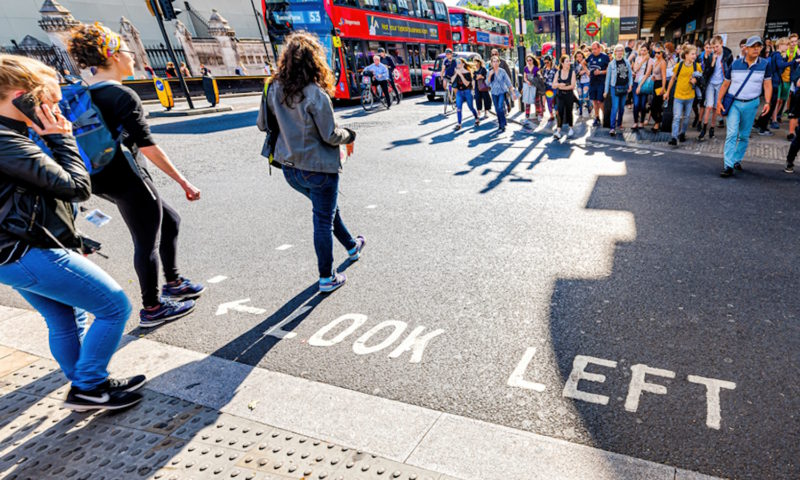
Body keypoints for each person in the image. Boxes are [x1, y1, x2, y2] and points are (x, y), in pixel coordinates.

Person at [0, 54, 145, 411]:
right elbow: (76, 186)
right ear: (21, 96)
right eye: (46, 100)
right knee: (114, 306)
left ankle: (86, 383)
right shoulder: (7, 141)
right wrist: (62, 138)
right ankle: (87, 386)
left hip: (16, 251)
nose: (52, 108)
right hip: (24, 251)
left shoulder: (11, 134)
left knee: (66, 316)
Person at [68, 23, 203, 327]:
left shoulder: (82, 94)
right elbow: (149, 147)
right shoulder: (122, 95)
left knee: (170, 221)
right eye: (128, 51)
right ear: (113, 54)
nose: (133, 57)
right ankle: (153, 308)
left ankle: (174, 282)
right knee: (146, 242)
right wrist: (183, 181)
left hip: (99, 178)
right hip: (129, 179)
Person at [266, 32, 364, 293]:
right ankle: (326, 277)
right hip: (318, 168)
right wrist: (350, 135)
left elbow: (263, 125)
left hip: (289, 168)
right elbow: (330, 135)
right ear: (314, 61)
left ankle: (352, 246)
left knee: (328, 211)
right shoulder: (315, 94)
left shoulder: (273, 87)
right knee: (323, 218)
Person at [716, 36, 773, 177]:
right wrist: (718, 101)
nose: (756, 49)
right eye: (753, 46)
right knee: (731, 134)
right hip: (734, 103)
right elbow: (725, 84)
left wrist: (767, 102)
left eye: (759, 46)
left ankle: (736, 159)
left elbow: (767, 84)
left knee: (744, 136)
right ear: (745, 48)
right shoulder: (735, 64)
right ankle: (728, 165)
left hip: (752, 103)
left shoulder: (765, 64)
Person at [756, 38, 794, 135]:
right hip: (774, 83)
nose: (787, 47)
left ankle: (759, 124)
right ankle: (762, 128)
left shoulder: (775, 55)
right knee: (771, 107)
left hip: (774, 82)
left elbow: (779, 67)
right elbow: (780, 66)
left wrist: (786, 58)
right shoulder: (777, 55)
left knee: (770, 106)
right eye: (786, 45)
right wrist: (793, 62)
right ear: (780, 45)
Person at [664, 44, 699, 146]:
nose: (694, 56)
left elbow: (700, 80)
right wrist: (667, 92)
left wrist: (695, 81)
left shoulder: (697, 66)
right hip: (678, 96)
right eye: (692, 54)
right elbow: (672, 79)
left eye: (695, 54)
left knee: (687, 117)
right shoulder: (679, 66)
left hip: (690, 96)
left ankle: (682, 133)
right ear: (686, 55)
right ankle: (674, 137)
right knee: (677, 117)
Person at [699, 36, 733, 140]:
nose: (715, 49)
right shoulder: (710, 56)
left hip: (721, 84)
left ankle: (712, 128)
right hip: (711, 83)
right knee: (708, 106)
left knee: (715, 108)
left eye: (716, 46)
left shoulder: (728, 55)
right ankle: (704, 128)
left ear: (721, 44)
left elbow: (730, 71)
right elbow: (706, 73)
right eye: (713, 47)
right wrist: (713, 62)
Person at [604, 45, 632, 137]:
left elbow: (630, 75)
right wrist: (605, 91)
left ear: (623, 52)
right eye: (618, 51)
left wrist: (630, 85)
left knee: (621, 108)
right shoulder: (611, 64)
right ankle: (612, 128)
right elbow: (607, 79)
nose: (619, 52)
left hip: (624, 87)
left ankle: (619, 124)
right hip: (614, 88)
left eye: (621, 51)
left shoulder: (627, 62)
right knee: (615, 107)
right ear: (615, 52)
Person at [486, 55, 515, 133]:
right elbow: (487, 84)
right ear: (491, 63)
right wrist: (490, 75)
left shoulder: (502, 71)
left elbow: (508, 82)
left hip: (502, 92)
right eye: (493, 61)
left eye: (496, 61)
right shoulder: (489, 72)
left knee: (500, 107)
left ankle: (502, 125)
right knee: (496, 109)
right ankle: (501, 122)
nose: (495, 63)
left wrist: (513, 92)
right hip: (494, 93)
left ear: (499, 62)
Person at [587, 42, 610, 127]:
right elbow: (583, 63)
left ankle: (605, 117)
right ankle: (597, 118)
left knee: (600, 101)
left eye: (595, 49)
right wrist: (587, 71)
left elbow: (609, 70)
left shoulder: (605, 57)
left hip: (601, 82)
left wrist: (600, 72)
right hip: (592, 82)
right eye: (592, 49)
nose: (593, 51)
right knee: (594, 101)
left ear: (599, 48)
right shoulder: (591, 56)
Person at [552, 54, 576, 139]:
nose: (569, 62)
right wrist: (559, 84)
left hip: (569, 95)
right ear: (562, 63)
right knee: (559, 112)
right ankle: (558, 131)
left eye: (569, 61)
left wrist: (562, 86)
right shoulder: (558, 72)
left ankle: (571, 128)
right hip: (560, 95)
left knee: (569, 111)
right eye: (567, 61)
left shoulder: (572, 72)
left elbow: (573, 86)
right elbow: (553, 85)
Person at [452, 58, 479, 130]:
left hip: (467, 91)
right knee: (458, 108)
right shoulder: (456, 72)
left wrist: (460, 75)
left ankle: (476, 118)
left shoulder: (467, 73)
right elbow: (452, 81)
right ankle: (459, 124)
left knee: (471, 107)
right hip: (459, 92)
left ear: (463, 64)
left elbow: (467, 84)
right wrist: (456, 74)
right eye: (457, 63)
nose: (457, 64)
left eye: (459, 63)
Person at [631, 45, 654, 131]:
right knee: (636, 104)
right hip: (636, 83)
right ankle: (635, 122)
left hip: (644, 84)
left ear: (648, 51)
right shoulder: (637, 59)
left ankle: (641, 121)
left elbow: (648, 74)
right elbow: (635, 69)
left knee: (643, 104)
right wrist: (642, 61)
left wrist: (640, 86)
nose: (643, 52)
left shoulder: (651, 60)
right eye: (641, 50)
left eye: (645, 50)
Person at [649, 44, 668, 132]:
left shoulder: (663, 62)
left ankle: (657, 122)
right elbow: (655, 73)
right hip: (655, 84)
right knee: (654, 105)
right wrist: (653, 77)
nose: (656, 54)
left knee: (655, 106)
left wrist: (663, 88)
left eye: (658, 53)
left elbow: (664, 76)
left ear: (662, 53)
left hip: (660, 85)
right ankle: (658, 121)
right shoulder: (656, 61)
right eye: (655, 52)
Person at [521, 55, 539, 123]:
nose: (529, 61)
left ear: (533, 60)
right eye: (527, 60)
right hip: (527, 85)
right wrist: (527, 81)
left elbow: (538, 77)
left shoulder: (536, 68)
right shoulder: (525, 68)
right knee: (527, 102)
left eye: (530, 60)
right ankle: (527, 116)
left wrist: (534, 82)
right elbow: (524, 77)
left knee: (535, 101)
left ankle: (537, 114)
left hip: (534, 86)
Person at [574, 51, 591, 117]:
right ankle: (580, 111)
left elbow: (589, 71)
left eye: (580, 56)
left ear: (583, 56)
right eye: (577, 57)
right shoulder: (575, 64)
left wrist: (584, 70)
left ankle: (590, 105)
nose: (579, 58)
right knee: (580, 97)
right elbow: (575, 72)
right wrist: (579, 72)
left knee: (585, 96)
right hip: (579, 82)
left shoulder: (587, 62)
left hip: (587, 81)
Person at [541, 56, 557, 122]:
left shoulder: (555, 69)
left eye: (547, 62)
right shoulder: (544, 69)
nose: (546, 64)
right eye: (545, 63)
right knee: (549, 102)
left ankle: (557, 114)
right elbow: (543, 78)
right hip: (548, 88)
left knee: (555, 102)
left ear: (551, 61)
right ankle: (551, 115)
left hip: (554, 87)